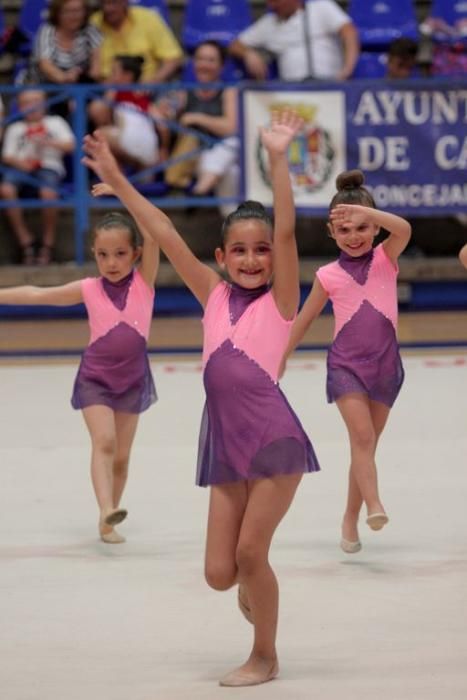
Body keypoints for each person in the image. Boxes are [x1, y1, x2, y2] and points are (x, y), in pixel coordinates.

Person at [82, 112, 320, 687]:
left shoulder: (280, 301)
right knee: (219, 573)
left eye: (260, 251)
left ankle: (265, 654)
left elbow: (286, 232)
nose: (252, 260)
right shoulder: (212, 294)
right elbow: (162, 230)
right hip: (225, 446)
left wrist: (278, 159)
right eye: (239, 251)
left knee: (250, 555)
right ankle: (249, 588)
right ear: (221, 257)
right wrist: (119, 179)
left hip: (274, 442)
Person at [0, 210, 159, 543]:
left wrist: (120, 186)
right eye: (102, 255)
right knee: (104, 442)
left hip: (132, 380)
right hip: (96, 380)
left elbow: (155, 230)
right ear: (94, 255)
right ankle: (105, 510)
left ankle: (108, 523)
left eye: (119, 254)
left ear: (137, 253)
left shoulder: (144, 282)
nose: (111, 262)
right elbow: (39, 294)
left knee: (122, 457)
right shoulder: (89, 289)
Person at [282, 170, 411, 555]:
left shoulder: (387, 257)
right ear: (331, 233)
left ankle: (349, 519)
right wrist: (280, 356)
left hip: (386, 367)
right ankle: (374, 505)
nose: (354, 236)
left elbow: (403, 228)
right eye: (345, 230)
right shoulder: (329, 275)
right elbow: (303, 319)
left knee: (365, 450)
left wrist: (361, 208)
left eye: (362, 227)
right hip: (346, 368)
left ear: (374, 228)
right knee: (363, 438)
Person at [1, 89, 75, 265]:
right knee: (5, 189)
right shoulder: (15, 127)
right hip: (21, 168)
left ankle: (48, 244)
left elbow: (71, 145)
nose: (33, 106)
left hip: (48, 166)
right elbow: (6, 155)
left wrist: (47, 142)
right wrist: (21, 164)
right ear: (20, 106)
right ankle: (25, 241)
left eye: (37, 101)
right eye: (27, 102)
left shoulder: (55, 122)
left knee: (48, 193)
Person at [162, 41, 238, 207]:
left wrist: (197, 117)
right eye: (200, 59)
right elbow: (164, 113)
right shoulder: (184, 91)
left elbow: (231, 128)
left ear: (222, 66)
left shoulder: (228, 91)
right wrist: (167, 111)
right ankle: (202, 192)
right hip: (194, 160)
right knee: (227, 168)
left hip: (223, 154)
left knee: (231, 151)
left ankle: (200, 191)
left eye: (211, 60)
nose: (204, 64)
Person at [229, 0, 359, 82]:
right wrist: (248, 54)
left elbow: (349, 32)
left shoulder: (321, 7)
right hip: (292, 89)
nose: (271, 5)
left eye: (276, 1)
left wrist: (347, 70)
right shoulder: (268, 23)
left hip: (331, 84)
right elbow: (235, 45)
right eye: (269, 2)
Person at [90, 0, 183, 84]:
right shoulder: (94, 22)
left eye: (113, 3)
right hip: (105, 89)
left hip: (146, 89)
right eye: (103, 3)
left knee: (175, 95)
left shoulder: (148, 18)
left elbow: (173, 58)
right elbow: (91, 70)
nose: (108, 8)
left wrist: (154, 80)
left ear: (125, 2)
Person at [95, 54, 159, 172]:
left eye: (114, 72)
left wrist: (110, 89)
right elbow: (162, 124)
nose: (111, 76)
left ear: (127, 75)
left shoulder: (117, 92)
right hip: (150, 146)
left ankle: (116, 180)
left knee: (100, 135)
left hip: (132, 143)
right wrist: (163, 148)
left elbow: (99, 116)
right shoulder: (144, 97)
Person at [29, 0, 102, 87]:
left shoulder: (90, 30)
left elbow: (96, 67)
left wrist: (87, 81)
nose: (74, 16)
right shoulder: (46, 30)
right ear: (57, 13)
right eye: (67, 11)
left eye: (78, 11)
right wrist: (65, 78)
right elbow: (45, 65)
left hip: (81, 85)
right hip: (46, 85)